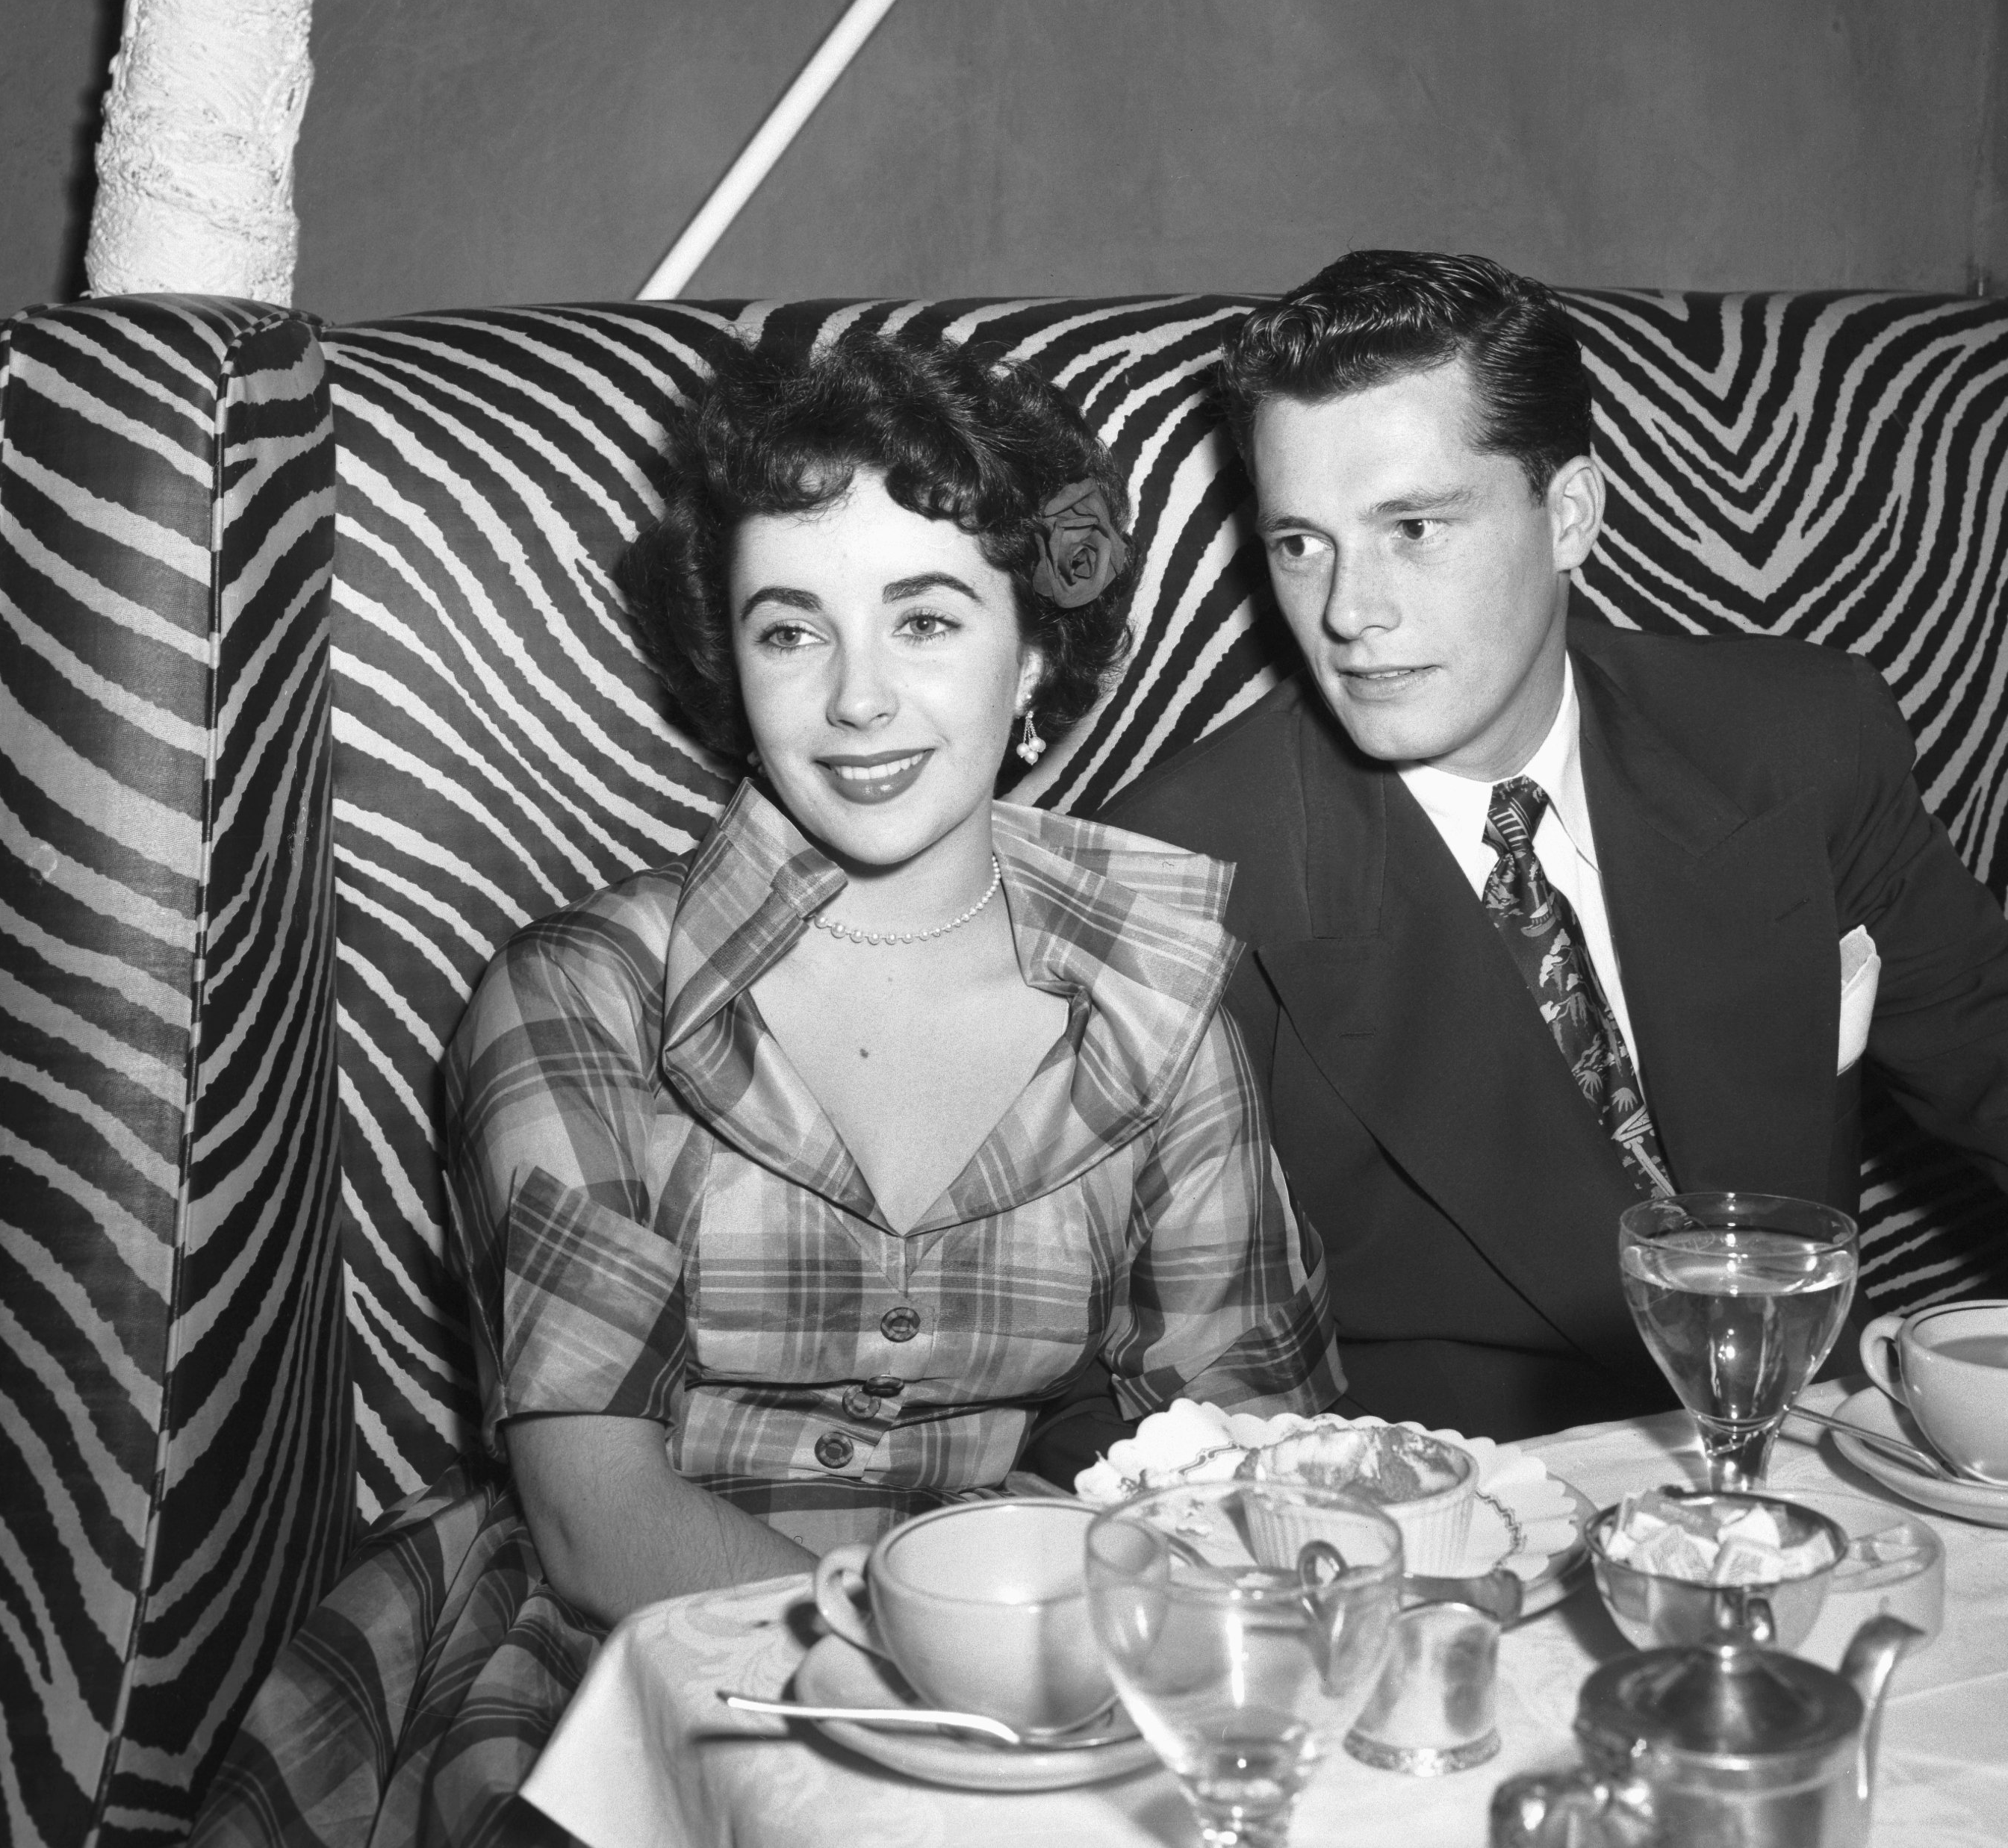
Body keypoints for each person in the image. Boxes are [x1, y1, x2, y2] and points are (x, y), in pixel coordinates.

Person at [196, 319, 1334, 1848]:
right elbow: (596, 1512)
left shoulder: (1157, 988)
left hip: (1023, 1668)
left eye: (924, 620)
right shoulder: (575, 991)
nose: (857, 699)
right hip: (615, 1671)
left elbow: (1237, 1435)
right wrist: (941, 1684)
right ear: (730, 662)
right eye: (791, 629)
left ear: (1035, 650)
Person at [1101, 249, 2008, 1440]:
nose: (1350, 612)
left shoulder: (1790, 739)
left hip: (1806, 1437)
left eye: (1414, 529)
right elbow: (1146, 1356)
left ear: (1569, 515)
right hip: (1443, 1510)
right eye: (1300, 545)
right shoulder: (1182, 873)